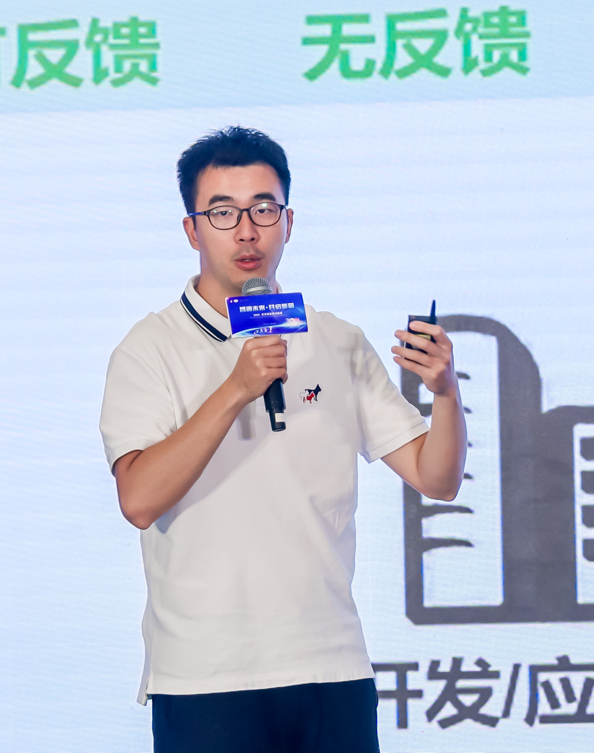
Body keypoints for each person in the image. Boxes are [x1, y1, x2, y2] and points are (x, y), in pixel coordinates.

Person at [99, 127, 467, 752]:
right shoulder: (149, 348)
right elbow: (138, 499)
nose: (247, 232)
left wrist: (446, 393)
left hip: (331, 666)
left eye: (263, 210)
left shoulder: (337, 341)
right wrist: (237, 387)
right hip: (205, 675)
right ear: (192, 230)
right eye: (222, 213)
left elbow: (437, 478)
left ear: (288, 222)